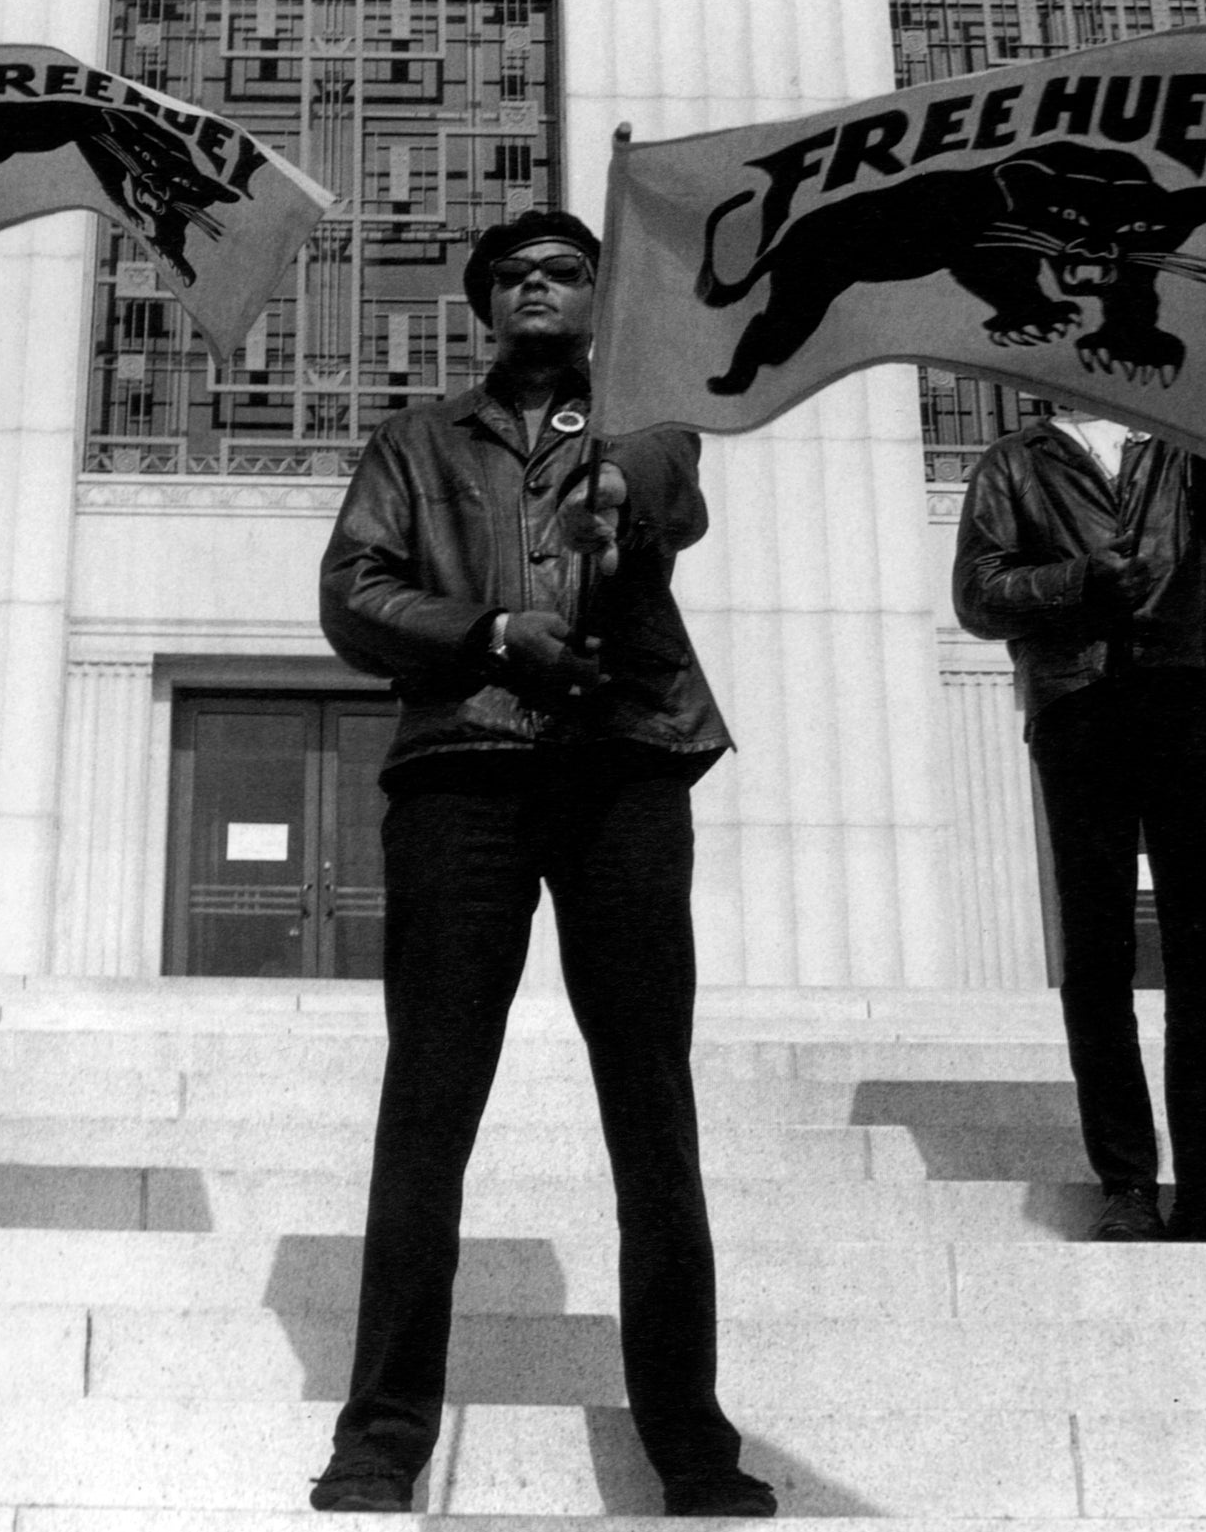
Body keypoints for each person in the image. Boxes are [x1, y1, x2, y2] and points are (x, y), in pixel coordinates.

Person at [310, 209, 776, 1518]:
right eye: (512, 275)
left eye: (566, 273)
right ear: (483, 304)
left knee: (652, 1107)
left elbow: (670, 494)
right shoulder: (412, 443)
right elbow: (355, 589)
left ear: (599, 300)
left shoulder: (650, 425)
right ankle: (385, 1423)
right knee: (430, 1102)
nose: (535, 288)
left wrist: (619, 483)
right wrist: (492, 630)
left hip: (622, 769)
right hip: (464, 772)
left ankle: (688, 1429)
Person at [953, 402, 1206, 1246]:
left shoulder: (1186, 438)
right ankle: (1126, 1184)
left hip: (1190, 687)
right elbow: (977, 592)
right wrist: (1076, 582)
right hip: (1078, 702)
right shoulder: (1015, 460)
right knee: (1098, 950)